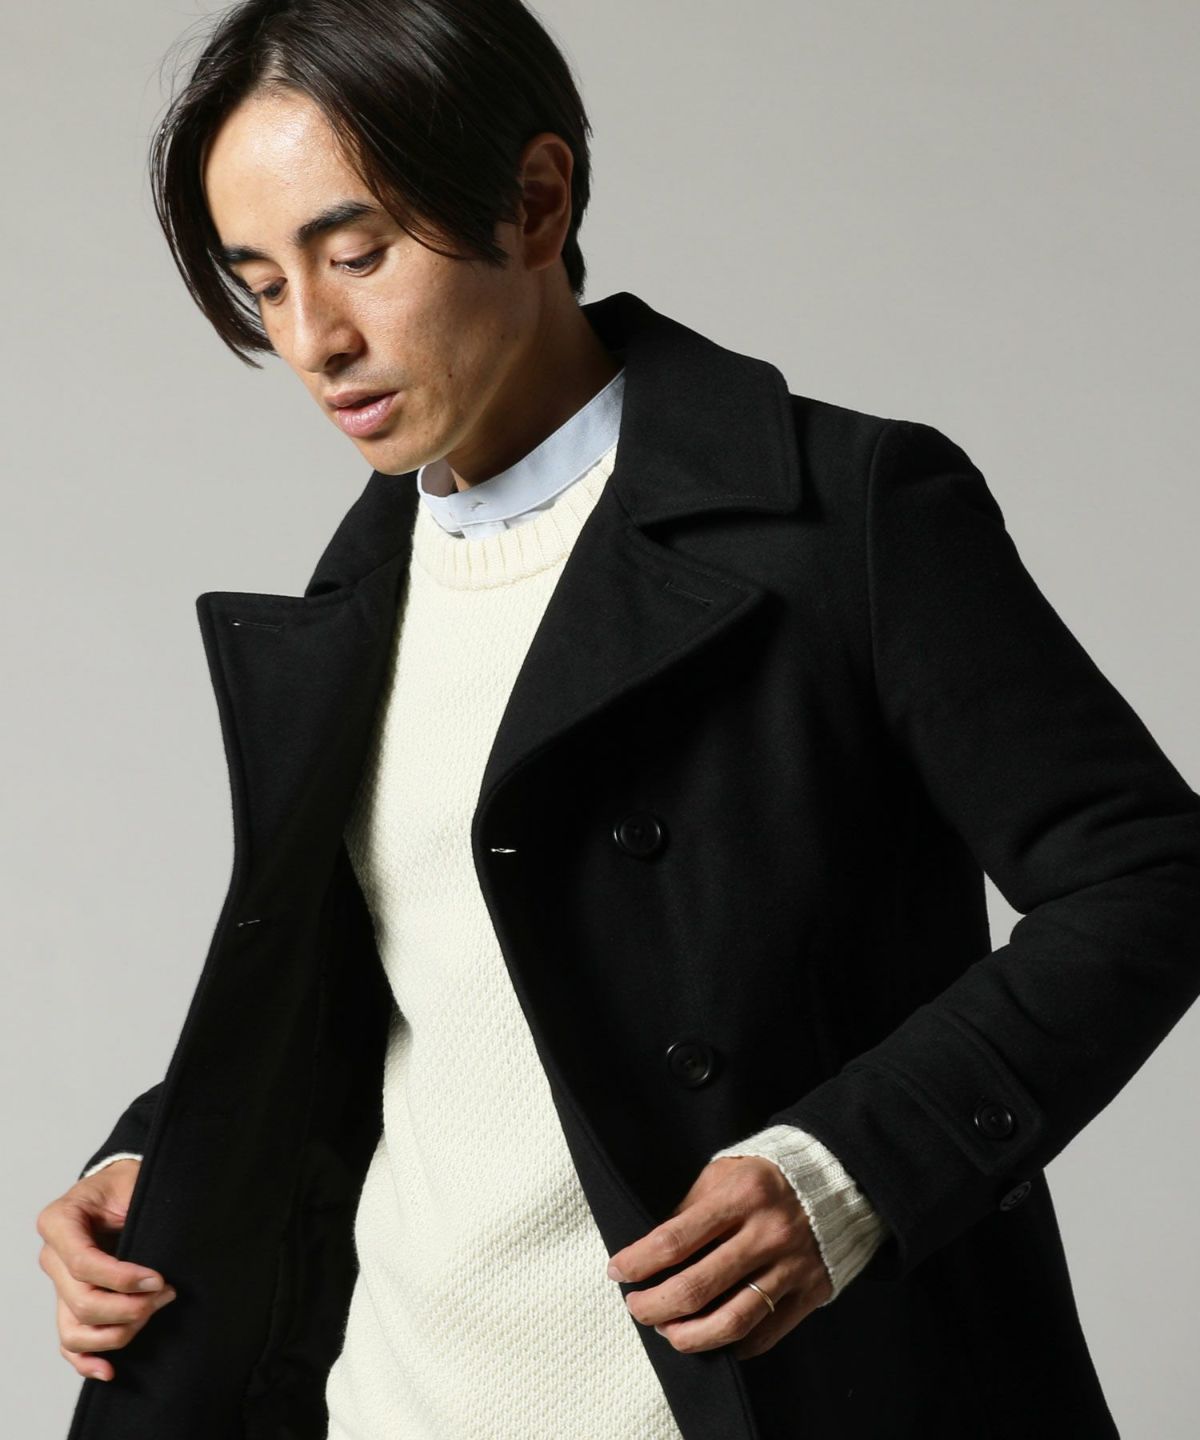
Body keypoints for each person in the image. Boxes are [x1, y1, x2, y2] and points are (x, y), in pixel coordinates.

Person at [36, 2, 1200, 1438]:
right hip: (392, 1403)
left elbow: (1152, 874)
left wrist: (855, 1170)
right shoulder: (362, 592)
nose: (314, 340)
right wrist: (161, 1159)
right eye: (264, 284)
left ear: (536, 202)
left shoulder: (842, 517)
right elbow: (416, 998)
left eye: (359, 254)